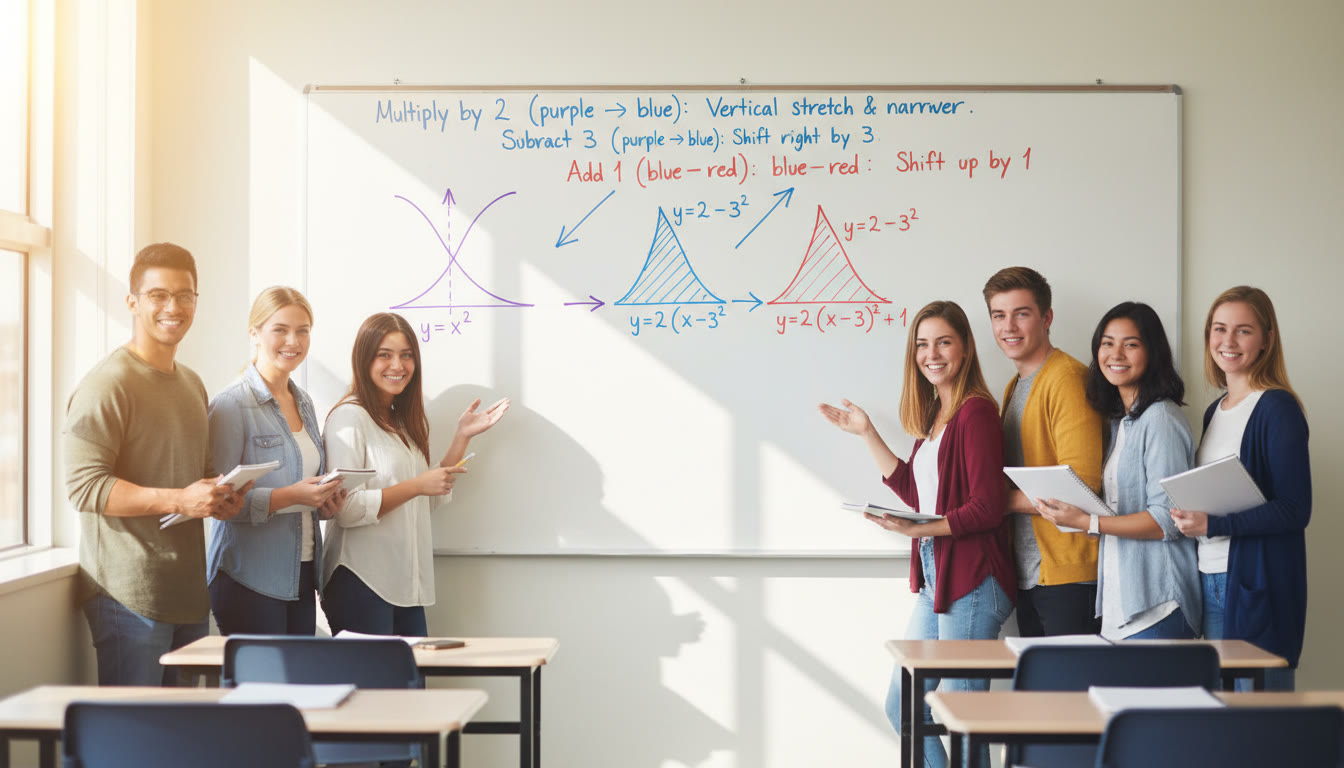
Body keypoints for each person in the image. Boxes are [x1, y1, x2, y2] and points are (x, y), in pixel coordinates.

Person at [819, 300, 1013, 768]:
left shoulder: (976, 413)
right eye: (923, 345)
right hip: (938, 575)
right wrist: (867, 433)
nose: (932, 354)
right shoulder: (936, 416)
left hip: (973, 577)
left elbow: (988, 507)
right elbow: (916, 490)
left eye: (944, 342)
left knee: (964, 719)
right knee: (904, 705)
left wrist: (921, 528)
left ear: (965, 349)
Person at [64, 243, 248, 685]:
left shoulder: (191, 384)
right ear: (132, 302)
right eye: (158, 295)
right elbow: (84, 487)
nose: (173, 307)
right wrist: (180, 500)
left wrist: (220, 497)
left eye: (184, 295)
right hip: (129, 596)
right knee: (134, 728)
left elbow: (197, 475)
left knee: (179, 728)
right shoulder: (107, 384)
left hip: (187, 593)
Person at [321, 312, 510, 636]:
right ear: (364, 360)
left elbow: (422, 501)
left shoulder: (401, 422)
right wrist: (417, 485)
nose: (398, 365)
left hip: (405, 584)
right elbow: (346, 510)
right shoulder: (349, 417)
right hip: (361, 580)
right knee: (379, 672)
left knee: (414, 671)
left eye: (406, 355)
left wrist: (461, 437)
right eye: (385, 355)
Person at [1035, 302, 1201, 639]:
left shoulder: (1161, 419)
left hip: (1159, 601)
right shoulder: (1121, 423)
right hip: (1123, 602)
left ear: (1153, 353)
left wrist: (1089, 522)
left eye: (1131, 344)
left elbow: (1168, 519)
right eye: (1107, 343)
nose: (1116, 354)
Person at [1171, 287, 1309, 691]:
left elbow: (1295, 509)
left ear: (1266, 339)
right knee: (1226, 710)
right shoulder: (1215, 410)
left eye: (1243, 330)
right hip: (1210, 576)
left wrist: (1212, 523)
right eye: (1219, 329)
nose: (1227, 341)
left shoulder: (1277, 408)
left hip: (1255, 581)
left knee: (1259, 713)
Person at [206, 287, 348, 635]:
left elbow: (305, 486)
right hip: (248, 577)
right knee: (263, 674)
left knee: (299, 673)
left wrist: (324, 503)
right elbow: (218, 502)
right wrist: (291, 496)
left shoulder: (304, 402)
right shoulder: (231, 404)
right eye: (280, 329)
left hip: (302, 573)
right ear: (254, 333)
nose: (293, 341)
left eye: (303, 331)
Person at [983, 266, 1103, 636]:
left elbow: (1082, 485)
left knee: (1068, 676)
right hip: (1031, 573)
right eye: (999, 315)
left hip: (1068, 574)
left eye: (1021, 314)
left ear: (1046, 318)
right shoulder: (1015, 386)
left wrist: (996, 501)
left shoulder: (1066, 379)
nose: (1009, 327)